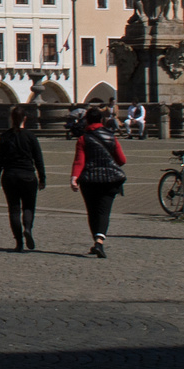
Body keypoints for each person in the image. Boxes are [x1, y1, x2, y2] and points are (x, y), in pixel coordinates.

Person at [70, 106, 127, 257]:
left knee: (93, 211)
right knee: (104, 211)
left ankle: (96, 240)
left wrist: (74, 178)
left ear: (87, 120)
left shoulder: (83, 138)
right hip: (110, 180)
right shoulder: (111, 136)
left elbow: (79, 162)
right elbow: (122, 160)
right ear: (102, 120)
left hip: (90, 180)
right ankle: (99, 241)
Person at [0, 106, 46, 251]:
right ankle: (27, 228)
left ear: (11, 119)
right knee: (28, 207)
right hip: (28, 175)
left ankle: (19, 242)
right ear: (25, 119)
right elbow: (38, 159)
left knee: (14, 209)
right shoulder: (30, 136)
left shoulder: (5, 136)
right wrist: (42, 178)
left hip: (10, 176)